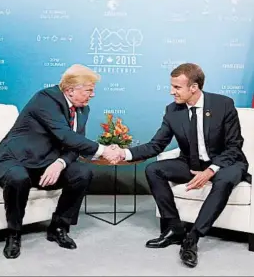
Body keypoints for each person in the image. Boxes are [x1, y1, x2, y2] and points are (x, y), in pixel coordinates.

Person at [107, 63, 251, 268]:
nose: (171, 91)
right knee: (153, 169)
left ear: (194, 88)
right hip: (192, 162)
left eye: (176, 87)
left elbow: (234, 146)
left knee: (224, 180)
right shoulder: (173, 110)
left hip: (227, 162)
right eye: (171, 86)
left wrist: (210, 171)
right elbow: (156, 145)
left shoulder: (223, 104)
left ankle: (192, 238)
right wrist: (124, 153)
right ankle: (174, 228)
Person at [0, 64, 116, 259]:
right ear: (71, 90)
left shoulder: (82, 109)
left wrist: (60, 163)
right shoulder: (45, 99)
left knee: (82, 173)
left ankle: (58, 227)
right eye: (89, 90)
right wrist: (103, 150)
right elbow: (65, 136)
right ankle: (13, 233)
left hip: (44, 162)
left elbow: (74, 144)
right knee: (18, 177)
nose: (92, 95)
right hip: (13, 159)